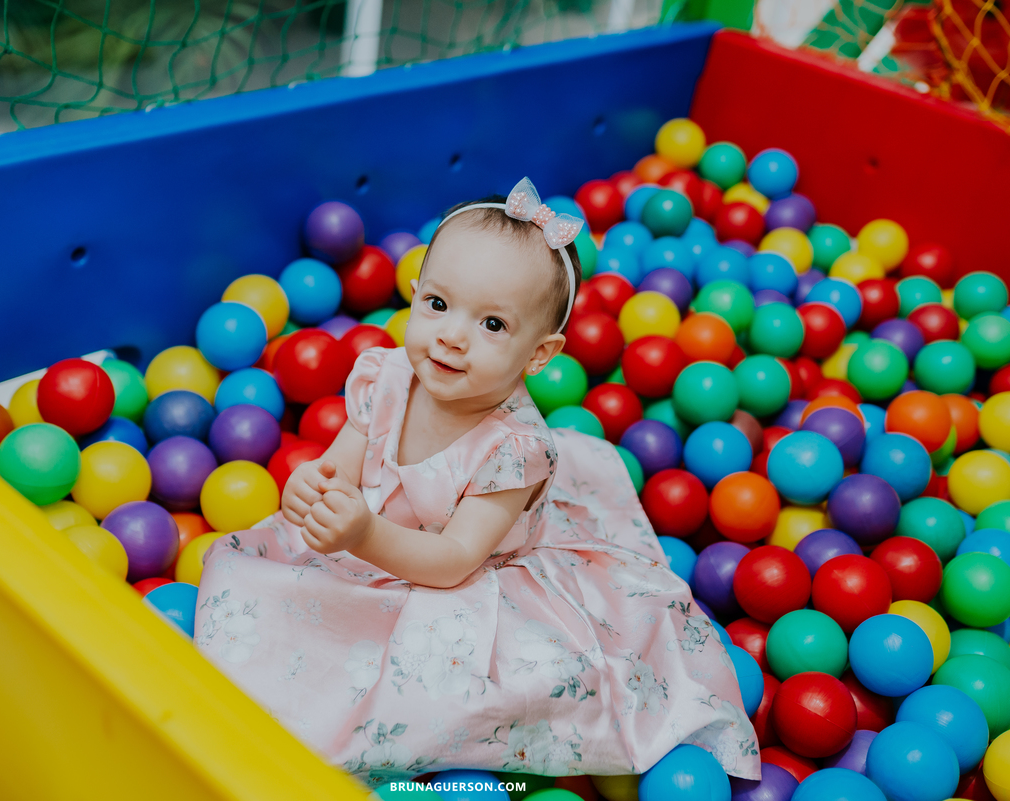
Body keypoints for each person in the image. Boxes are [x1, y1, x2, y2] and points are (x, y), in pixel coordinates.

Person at [194, 178, 759, 787]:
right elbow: (338, 467)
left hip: (466, 579)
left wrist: (359, 529)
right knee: (263, 608)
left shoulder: (514, 450)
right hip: (371, 548)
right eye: (438, 305)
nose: (452, 336)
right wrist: (310, 487)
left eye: (492, 324)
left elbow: (453, 561)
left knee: (472, 695)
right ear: (414, 296)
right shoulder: (385, 378)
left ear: (538, 356)